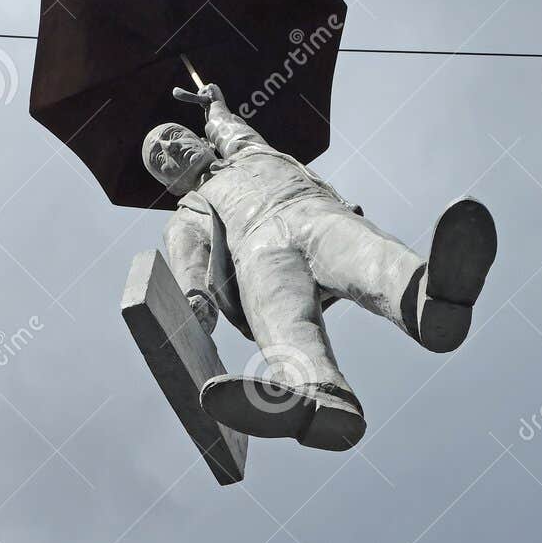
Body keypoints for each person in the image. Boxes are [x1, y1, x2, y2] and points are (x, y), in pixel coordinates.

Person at [142, 82, 497, 451]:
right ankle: (319, 396)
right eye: (160, 158)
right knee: (282, 320)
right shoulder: (186, 213)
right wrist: (196, 299)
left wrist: (216, 109)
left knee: (371, 258)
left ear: (199, 138)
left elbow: (232, 131)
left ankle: (429, 301)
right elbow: (188, 257)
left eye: (172, 136)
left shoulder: (247, 152)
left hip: (309, 210)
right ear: (170, 185)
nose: (170, 149)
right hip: (257, 250)